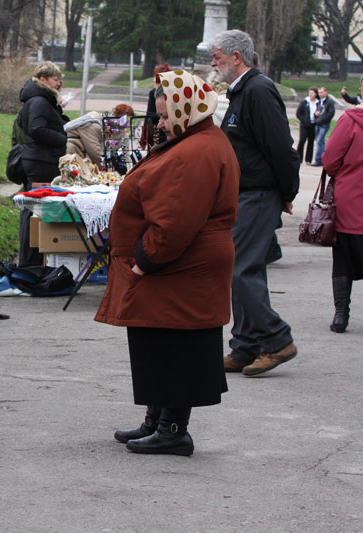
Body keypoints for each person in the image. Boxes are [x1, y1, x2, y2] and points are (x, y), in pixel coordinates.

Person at [95, 70, 240, 456]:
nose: (159, 123)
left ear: (187, 110)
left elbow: (176, 219)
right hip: (184, 263)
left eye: (164, 116)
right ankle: (156, 421)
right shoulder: (197, 140)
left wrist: (145, 259)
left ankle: (173, 430)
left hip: (182, 264)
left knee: (177, 345)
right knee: (158, 341)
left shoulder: (196, 150)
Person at [210, 29, 300, 377]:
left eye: (217, 57)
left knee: (240, 269)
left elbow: (280, 147)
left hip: (258, 193)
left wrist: (287, 192)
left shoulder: (258, 90)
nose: (213, 63)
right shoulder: (243, 91)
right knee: (244, 268)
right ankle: (245, 345)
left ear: (237, 57)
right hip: (246, 193)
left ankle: (277, 340)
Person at [16, 61, 68, 266]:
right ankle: (30, 261)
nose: (59, 83)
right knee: (34, 210)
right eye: (56, 79)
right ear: (43, 80)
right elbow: (37, 129)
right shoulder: (39, 100)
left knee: (33, 209)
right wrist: (62, 137)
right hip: (40, 161)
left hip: (40, 158)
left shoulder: (41, 99)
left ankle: (33, 259)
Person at [321, 74, 363, 333]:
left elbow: (330, 161)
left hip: (350, 200)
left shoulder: (350, 120)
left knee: (343, 258)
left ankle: (341, 314)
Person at [142, 63, 171, 146]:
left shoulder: (154, 92)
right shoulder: (172, 92)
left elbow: (149, 115)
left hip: (158, 133)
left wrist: (144, 137)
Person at [295, 87, 319, 165]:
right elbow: (298, 113)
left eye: (312, 93)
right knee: (302, 140)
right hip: (304, 125)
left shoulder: (318, 103)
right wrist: (304, 120)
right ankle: (299, 158)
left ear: (316, 94)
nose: (310, 94)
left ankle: (308, 159)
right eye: (309, 93)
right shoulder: (304, 102)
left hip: (313, 124)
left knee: (311, 141)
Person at [313, 86, 335, 167]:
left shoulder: (329, 102)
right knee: (320, 142)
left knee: (320, 141)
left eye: (321, 92)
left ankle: (319, 159)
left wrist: (323, 119)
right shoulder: (319, 101)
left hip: (324, 124)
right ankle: (322, 158)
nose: (320, 94)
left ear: (326, 92)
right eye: (319, 92)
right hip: (318, 123)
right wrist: (316, 115)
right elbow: (317, 110)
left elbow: (331, 113)